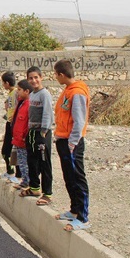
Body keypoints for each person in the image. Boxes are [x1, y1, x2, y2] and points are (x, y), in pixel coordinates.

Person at [53, 59, 91, 231]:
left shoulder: (77, 93)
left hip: (71, 142)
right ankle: (74, 210)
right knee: (69, 177)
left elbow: (79, 120)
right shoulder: (68, 91)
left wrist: (72, 143)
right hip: (63, 139)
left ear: (61, 74)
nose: (55, 78)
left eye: (56, 74)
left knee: (77, 177)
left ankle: (83, 217)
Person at [20, 66, 54, 206]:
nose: (33, 80)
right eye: (30, 78)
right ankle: (34, 188)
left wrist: (44, 131)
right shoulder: (33, 94)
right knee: (32, 161)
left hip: (41, 133)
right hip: (32, 132)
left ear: (41, 78)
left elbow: (47, 113)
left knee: (44, 163)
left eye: (36, 77)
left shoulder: (44, 94)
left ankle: (47, 193)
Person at [11, 79, 33, 190]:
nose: (17, 92)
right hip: (18, 138)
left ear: (27, 91)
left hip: (23, 139)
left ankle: (27, 182)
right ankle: (25, 181)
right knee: (21, 161)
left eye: (19, 90)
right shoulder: (21, 103)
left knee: (25, 163)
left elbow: (28, 123)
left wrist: (24, 136)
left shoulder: (28, 105)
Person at [0, 71, 20, 183]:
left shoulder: (16, 93)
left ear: (7, 83)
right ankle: (10, 171)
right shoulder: (11, 93)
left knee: (14, 150)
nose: (3, 85)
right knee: (6, 151)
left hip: (14, 125)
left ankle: (17, 174)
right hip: (9, 123)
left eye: (3, 83)